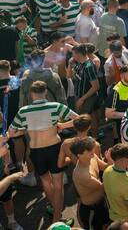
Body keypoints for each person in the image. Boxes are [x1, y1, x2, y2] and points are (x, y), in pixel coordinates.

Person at [7, 80, 78, 224]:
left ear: (32, 94)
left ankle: (55, 212)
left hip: (36, 151)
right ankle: (58, 217)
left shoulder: (23, 111)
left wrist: (26, 129)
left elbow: (11, 133)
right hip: (54, 148)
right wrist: (62, 125)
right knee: (58, 183)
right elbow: (79, 119)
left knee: (46, 182)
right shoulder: (56, 106)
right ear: (45, 92)